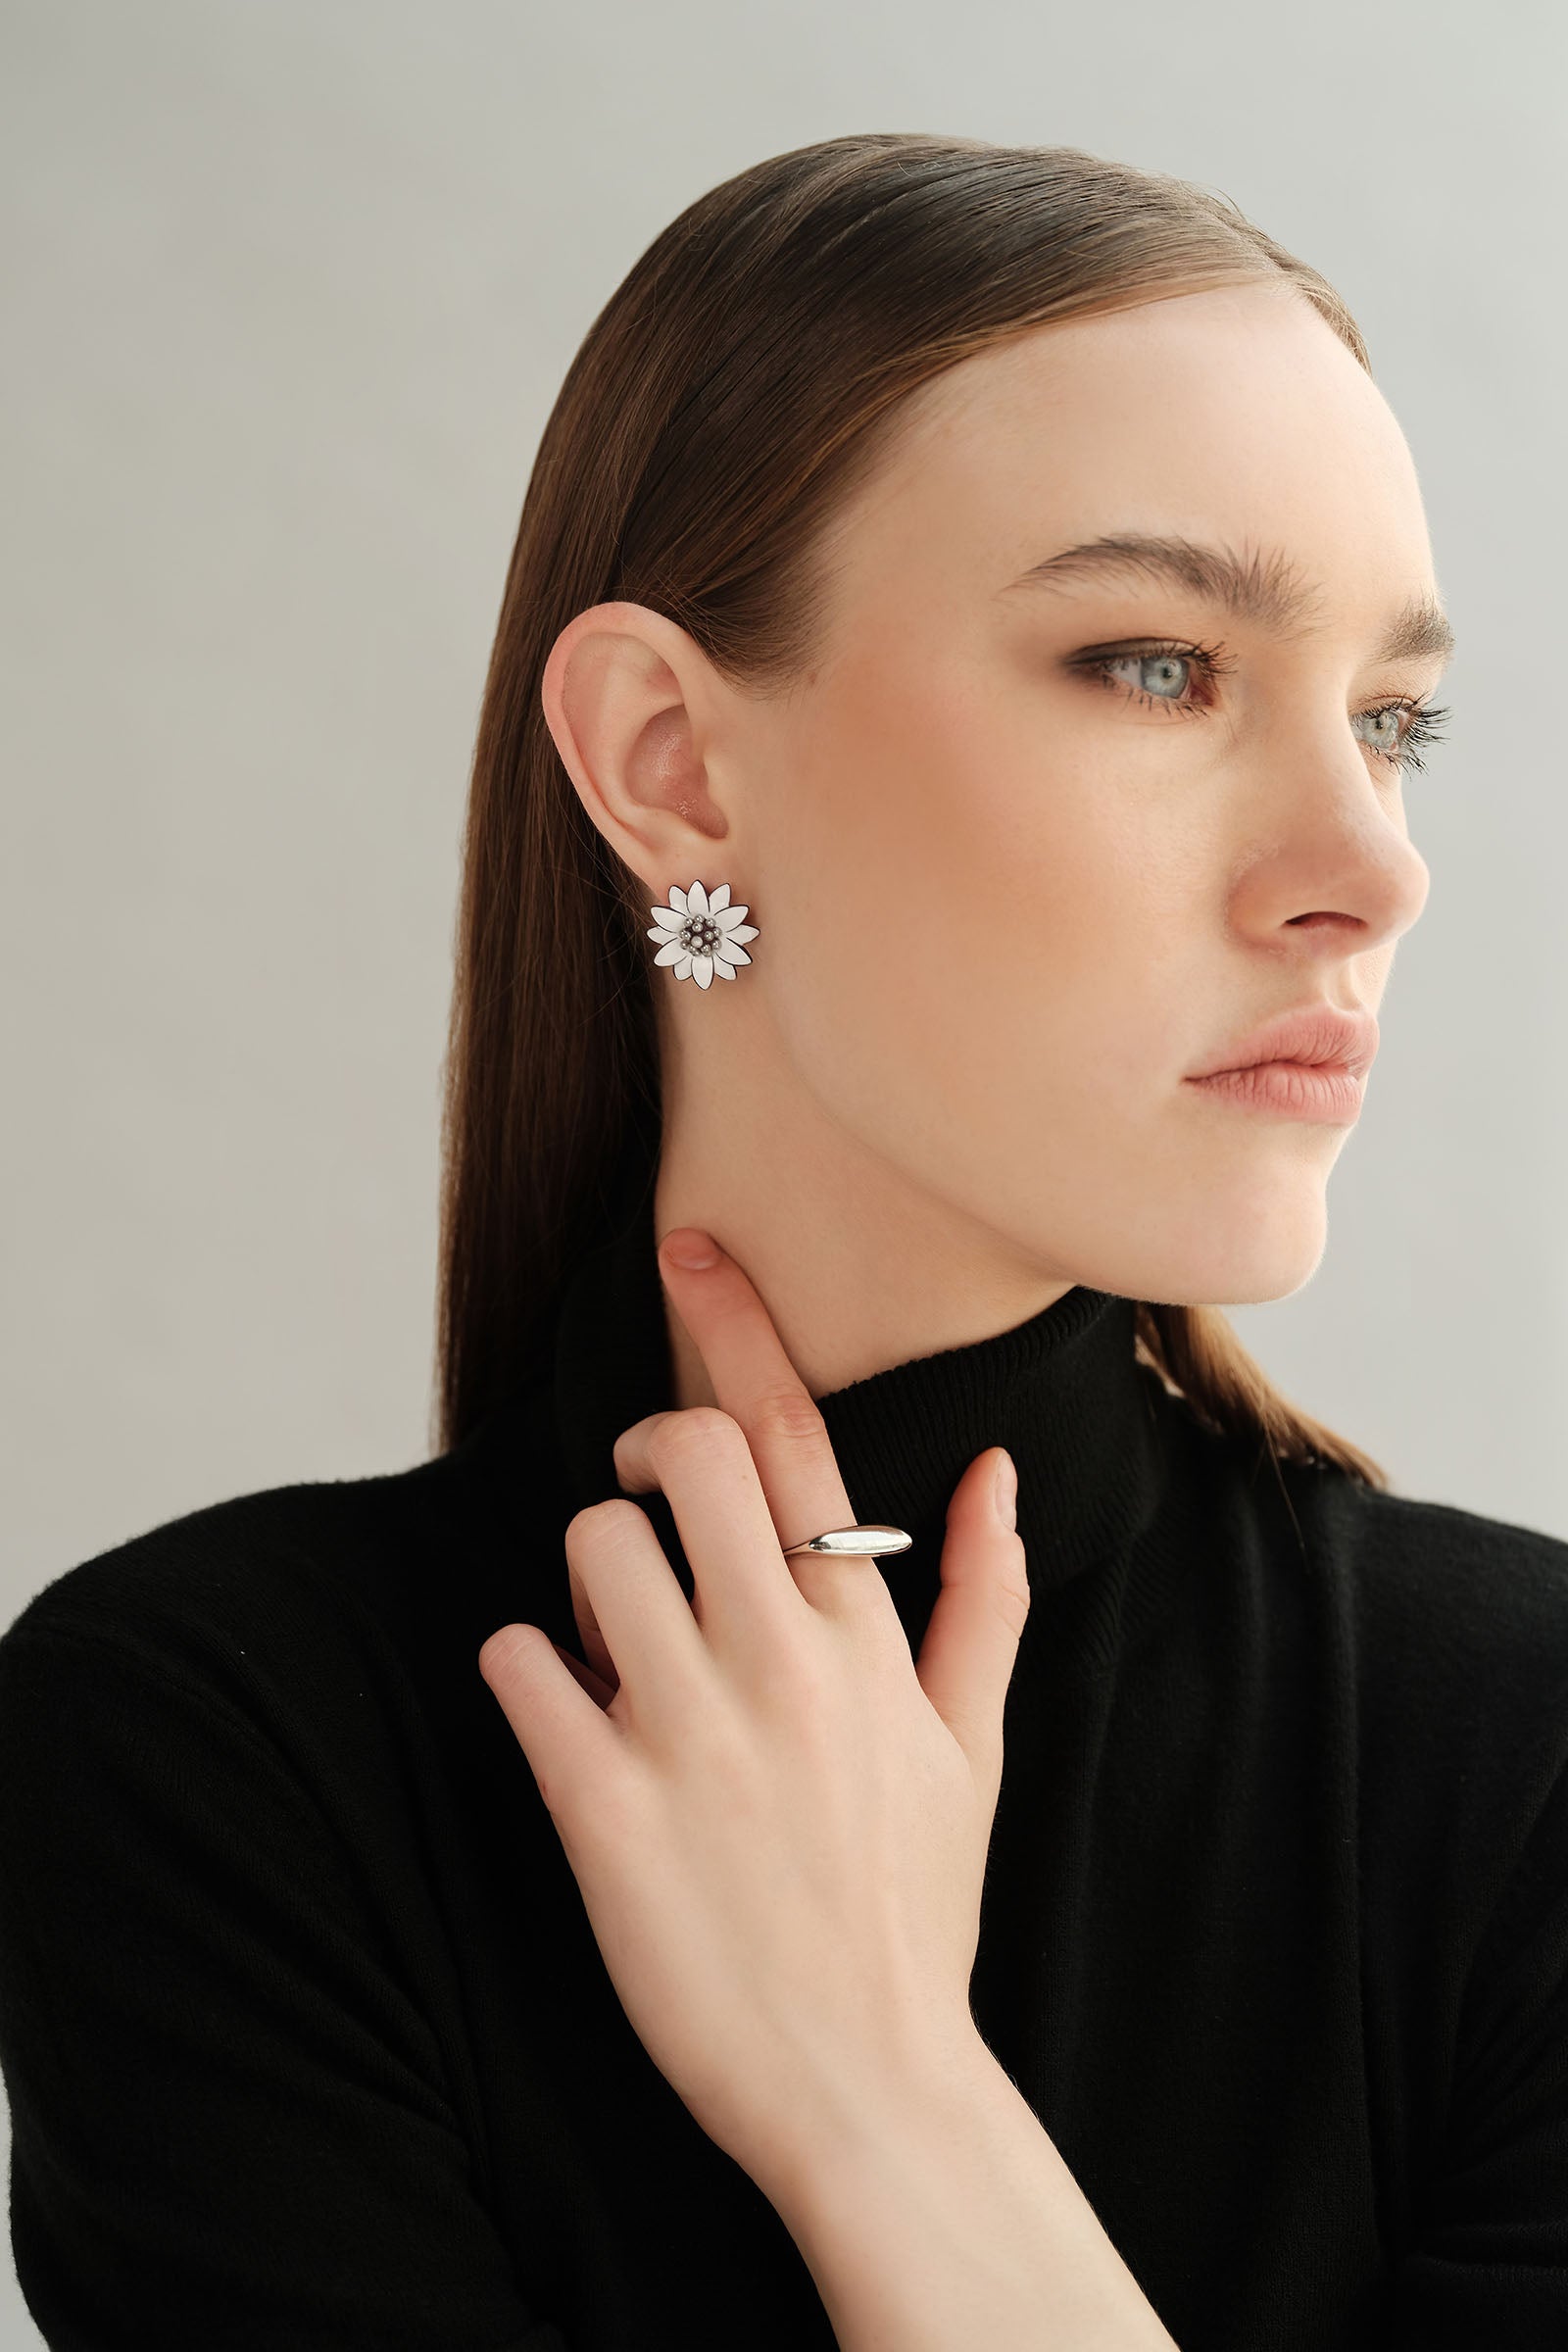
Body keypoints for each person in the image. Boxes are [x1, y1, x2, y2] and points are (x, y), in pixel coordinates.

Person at [1, 132, 1563, 2351]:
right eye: (1155, 666)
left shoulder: (1524, 1763)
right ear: (670, 761)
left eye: (1393, 720)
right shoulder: (219, 1755)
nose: (1370, 866)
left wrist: (879, 2089)